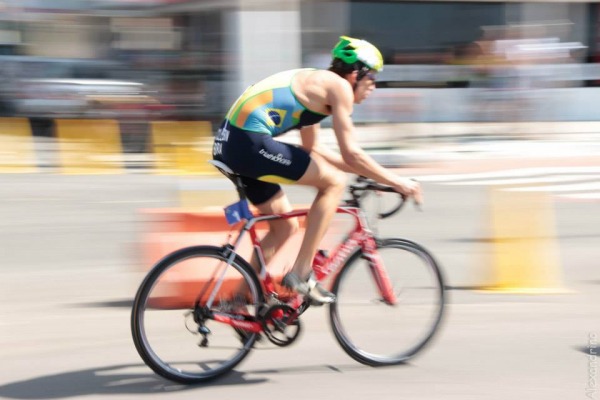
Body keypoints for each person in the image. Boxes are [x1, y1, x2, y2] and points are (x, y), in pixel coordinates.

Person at [212, 36, 422, 304]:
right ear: (356, 73)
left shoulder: (316, 82)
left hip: (230, 144)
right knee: (334, 183)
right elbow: (352, 153)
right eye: (373, 79)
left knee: (285, 226)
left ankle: (240, 299)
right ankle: (301, 272)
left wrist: (371, 174)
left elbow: (313, 148)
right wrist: (397, 181)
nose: (374, 88)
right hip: (248, 142)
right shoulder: (339, 88)